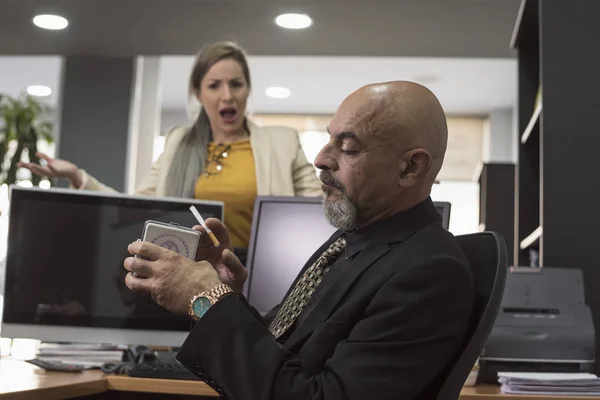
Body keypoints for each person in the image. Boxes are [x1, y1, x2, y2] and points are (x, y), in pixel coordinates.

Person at [122, 81, 475, 400]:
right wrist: (224, 293)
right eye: (329, 139)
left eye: (348, 148)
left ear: (410, 168)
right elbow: (280, 352)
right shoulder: (352, 240)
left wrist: (207, 299)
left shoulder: (430, 274)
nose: (321, 159)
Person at [18, 41, 321, 250]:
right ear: (198, 93)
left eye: (236, 84)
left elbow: (319, 212)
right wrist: (76, 176)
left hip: (255, 285)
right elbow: (131, 208)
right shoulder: (178, 143)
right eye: (215, 85)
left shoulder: (282, 142)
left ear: (247, 90)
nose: (227, 95)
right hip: (187, 283)